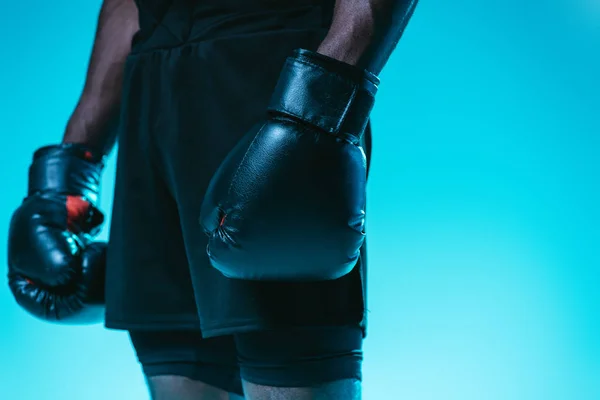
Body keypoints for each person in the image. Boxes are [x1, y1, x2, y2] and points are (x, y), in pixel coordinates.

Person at [7, 0, 418, 398]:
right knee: (177, 370)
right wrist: (70, 171)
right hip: (151, 94)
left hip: (271, 82)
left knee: (291, 368)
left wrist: (318, 107)